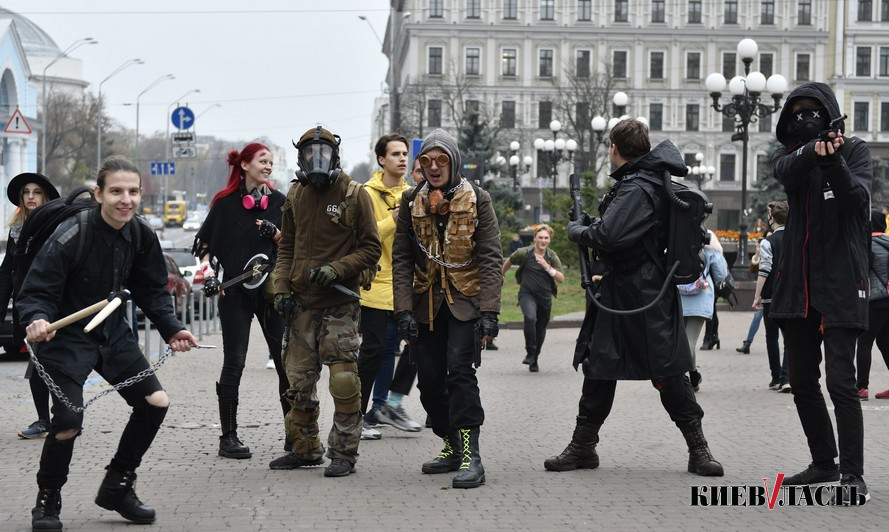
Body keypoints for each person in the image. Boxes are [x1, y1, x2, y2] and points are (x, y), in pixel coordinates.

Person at [18, 156, 198, 530]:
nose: (125, 200)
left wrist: (172, 329)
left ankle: (118, 483)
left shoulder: (141, 234)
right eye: (116, 191)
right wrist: (37, 319)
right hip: (65, 337)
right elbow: (38, 288)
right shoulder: (74, 232)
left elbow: (153, 290)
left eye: (132, 192)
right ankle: (47, 499)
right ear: (99, 194)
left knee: (155, 403)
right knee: (68, 419)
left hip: (113, 334)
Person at [550, 118, 723, 477]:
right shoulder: (645, 183)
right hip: (627, 291)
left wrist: (578, 230)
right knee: (599, 370)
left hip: (642, 294)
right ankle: (583, 447)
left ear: (614, 148)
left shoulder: (638, 188)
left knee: (671, 373)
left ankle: (699, 448)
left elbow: (610, 236)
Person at [770, 82, 872, 502]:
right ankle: (823, 462)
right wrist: (813, 151)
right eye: (798, 112)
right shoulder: (792, 155)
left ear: (830, 112)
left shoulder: (855, 150)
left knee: (841, 383)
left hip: (841, 284)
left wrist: (834, 162)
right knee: (801, 381)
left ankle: (852, 473)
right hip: (798, 287)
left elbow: (857, 201)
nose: (806, 118)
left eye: (814, 110)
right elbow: (784, 172)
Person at [392, 128, 503, 489]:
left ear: (453, 161)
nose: (434, 167)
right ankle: (450, 445)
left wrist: (490, 311)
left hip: (465, 305)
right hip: (426, 304)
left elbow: (489, 256)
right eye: (427, 161)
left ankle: (472, 456)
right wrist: (403, 311)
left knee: (460, 375)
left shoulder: (479, 199)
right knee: (428, 383)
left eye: (442, 160)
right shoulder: (412, 201)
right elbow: (402, 260)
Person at [269, 126, 381, 478]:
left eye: (323, 152)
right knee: (297, 383)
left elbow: (371, 248)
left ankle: (343, 454)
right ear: (301, 156)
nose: (316, 158)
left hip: (339, 305)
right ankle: (305, 450)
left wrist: (337, 269)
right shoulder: (295, 195)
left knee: (344, 381)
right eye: (308, 152)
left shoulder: (353, 193)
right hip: (301, 304)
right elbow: (286, 247)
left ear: (335, 156)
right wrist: (280, 286)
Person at [193, 143, 289, 460]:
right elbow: (204, 248)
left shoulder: (279, 202)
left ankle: (296, 436)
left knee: (286, 363)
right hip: (233, 293)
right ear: (245, 165)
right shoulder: (224, 204)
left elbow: (294, 246)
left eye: (271, 162)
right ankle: (228, 438)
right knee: (234, 362)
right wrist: (207, 274)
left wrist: (276, 235)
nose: (268, 166)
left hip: (272, 293)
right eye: (263, 161)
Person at [357, 133, 421, 440]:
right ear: (382, 160)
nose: (402, 158)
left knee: (416, 344)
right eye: (395, 154)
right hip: (374, 285)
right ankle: (356, 415)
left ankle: (388, 404)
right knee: (375, 350)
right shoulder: (366, 195)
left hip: (406, 286)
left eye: (405, 153)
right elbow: (363, 239)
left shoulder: (413, 193)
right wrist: (394, 218)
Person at [0, 173, 60, 439]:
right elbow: (7, 272)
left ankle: (64, 418)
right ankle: (45, 421)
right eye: (27, 192)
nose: (31, 196)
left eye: (37, 191)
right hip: (29, 306)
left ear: (46, 196)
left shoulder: (58, 225)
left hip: (58, 305)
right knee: (37, 362)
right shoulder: (17, 230)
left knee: (57, 364)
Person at [501, 224, 565, 372]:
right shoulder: (524, 252)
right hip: (527, 294)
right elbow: (510, 260)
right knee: (530, 318)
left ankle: (534, 358)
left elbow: (561, 278)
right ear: (535, 238)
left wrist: (546, 266)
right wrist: (502, 274)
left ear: (550, 240)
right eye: (540, 237)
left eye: (546, 238)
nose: (543, 240)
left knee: (540, 329)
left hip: (545, 298)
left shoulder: (551, 256)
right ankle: (530, 351)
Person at [678, 239, 728, 393]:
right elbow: (721, 275)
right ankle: (685, 377)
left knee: (684, 341)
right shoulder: (708, 244)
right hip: (701, 297)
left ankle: (692, 377)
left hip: (678, 297)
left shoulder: (677, 241)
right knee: (689, 342)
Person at [752, 202, 790, 392]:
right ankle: (786, 378)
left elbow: (764, 270)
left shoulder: (768, 242)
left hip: (771, 296)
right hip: (791, 296)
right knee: (789, 338)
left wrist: (757, 296)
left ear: (772, 218)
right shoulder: (795, 239)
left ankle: (776, 377)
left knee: (771, 336)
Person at [855, 210, 889, 400]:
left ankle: (861, 388)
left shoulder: (866, 244)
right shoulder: (888, 241)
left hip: (874, 301)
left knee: (865, 342)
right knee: (885, 342)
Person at [736, 231, 771, 354]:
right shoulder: (760, 255)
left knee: (778, 319)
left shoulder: (775, 249)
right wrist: (757, 254)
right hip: (763, 292)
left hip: (773, 290)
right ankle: (748, 343)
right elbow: (753, 270)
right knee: (757, 316)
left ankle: (788, 345)